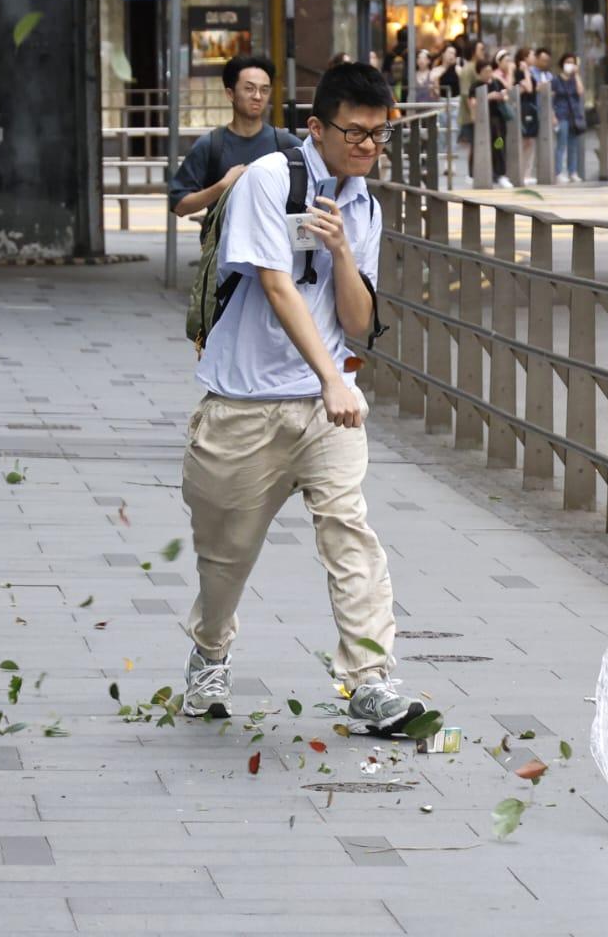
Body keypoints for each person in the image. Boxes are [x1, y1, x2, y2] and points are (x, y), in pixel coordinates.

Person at [180, 62, 432, 735]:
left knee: (351, 532)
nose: (368, 148)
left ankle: (371, 679)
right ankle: (208, 653)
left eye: (381, 136)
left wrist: (346, 254)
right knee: (224, 559)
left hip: (326, 412)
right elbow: (275, 284)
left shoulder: (364, 206)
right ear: (316, 128)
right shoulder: (268, 179)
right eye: (356, 132)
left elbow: (356, 320)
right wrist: (331, 377)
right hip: (244, 406)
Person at [169, 55, 302, 222]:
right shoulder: (211, 145)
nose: (258, 96)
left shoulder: (287, 145)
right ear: (230, 94)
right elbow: (179, 205)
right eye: (249, 89)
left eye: (264, 90)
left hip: (275, 246)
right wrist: (222, 186)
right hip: (223, 247)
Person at [469, 58, 510, 186]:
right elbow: (473, 102)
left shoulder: (497, 83)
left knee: (499, 145)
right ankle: (474, 173)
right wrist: (487, 97)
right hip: (483, 121)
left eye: (490, 71)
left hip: (498, 120)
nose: (488, 74)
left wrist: (502, 95)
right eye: (485, 71)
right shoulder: (476, 85)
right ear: (479, 72)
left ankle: (500, 174)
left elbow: (507, 94)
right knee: (479, 146)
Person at [551, 52, 586, 183]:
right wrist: (553, 115)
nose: (570, 65)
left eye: (572, 63)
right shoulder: (556, 80)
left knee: (573, 145)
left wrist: (576, 75)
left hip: (574, 115)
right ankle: (558, 172)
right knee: (561, 143)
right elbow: (551, 98)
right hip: (561, 114)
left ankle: (573, 172)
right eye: (567, 62)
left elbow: (580, 92)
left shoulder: (574, 79)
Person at [456, 41, 489, 178]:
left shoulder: (478, 67)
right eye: (481, 49)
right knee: (473, 145)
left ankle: (479, 171)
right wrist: (472, 113)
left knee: (479, 143)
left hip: (480, 112)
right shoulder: (468, 69)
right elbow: (465, 93)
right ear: (474, 51)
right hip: (470, 113)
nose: (483, 52)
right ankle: (471, 174)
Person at [515, 47, 540, 184]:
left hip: (531, 108)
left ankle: (527, 173)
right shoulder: (520, 73)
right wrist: (525, 71)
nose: (534, 58)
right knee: (525, 141)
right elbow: (529, 88)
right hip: (524, 108)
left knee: (531, 141)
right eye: (531, 55)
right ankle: (521, 172)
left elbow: (533, 88)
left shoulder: (530, 72)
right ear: (524, 58)